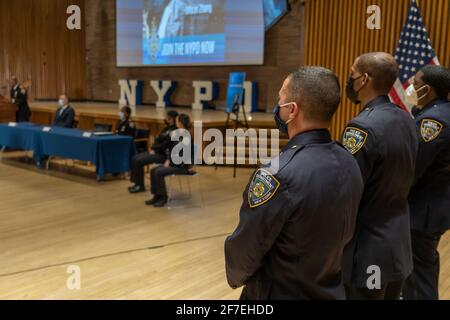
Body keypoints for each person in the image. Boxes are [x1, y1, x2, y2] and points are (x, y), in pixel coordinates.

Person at [225, 67, 364, 300]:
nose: (277, 106)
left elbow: (244, 253)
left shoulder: (277, 174)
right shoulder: (349, 160)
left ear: (292, 110)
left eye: (280, 99)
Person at [341, 52, 419, 300]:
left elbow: (348, 191)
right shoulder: (406, 119)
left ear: (363, 80)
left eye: (351, 75)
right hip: (398, 243)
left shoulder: (361, 127)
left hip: (367, 250)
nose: (349, 80)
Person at [402, 65, 450, 300]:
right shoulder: (441, 111)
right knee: (424, 264)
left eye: (416, 83)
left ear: (428, 89)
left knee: (418, 274)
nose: (411, 86)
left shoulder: (433, 121)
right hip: (436, 205)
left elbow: (413, 167)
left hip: (423, 211)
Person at [146, 113, 195, 208]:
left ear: (180, 123)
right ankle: (156, 195)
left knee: (158, 172)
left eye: (177, 121)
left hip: (182, 167)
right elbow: (169, 147)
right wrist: (168, 159)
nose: (176, 122)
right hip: (174, 163)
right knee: (153, 170)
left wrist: (170, 162)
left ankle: (163, 198)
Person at [128, 110, 179, 194]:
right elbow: (157, 139)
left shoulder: (175, 131)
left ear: (171, 118)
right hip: (157, 151)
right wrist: (153, 148)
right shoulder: (166, 128)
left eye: (166, 117)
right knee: (135, 158)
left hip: (164, 155)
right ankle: (136, 183)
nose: (165, 118)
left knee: (139, 161)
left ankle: (140, 186)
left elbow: (166, 144)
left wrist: (154, 148)